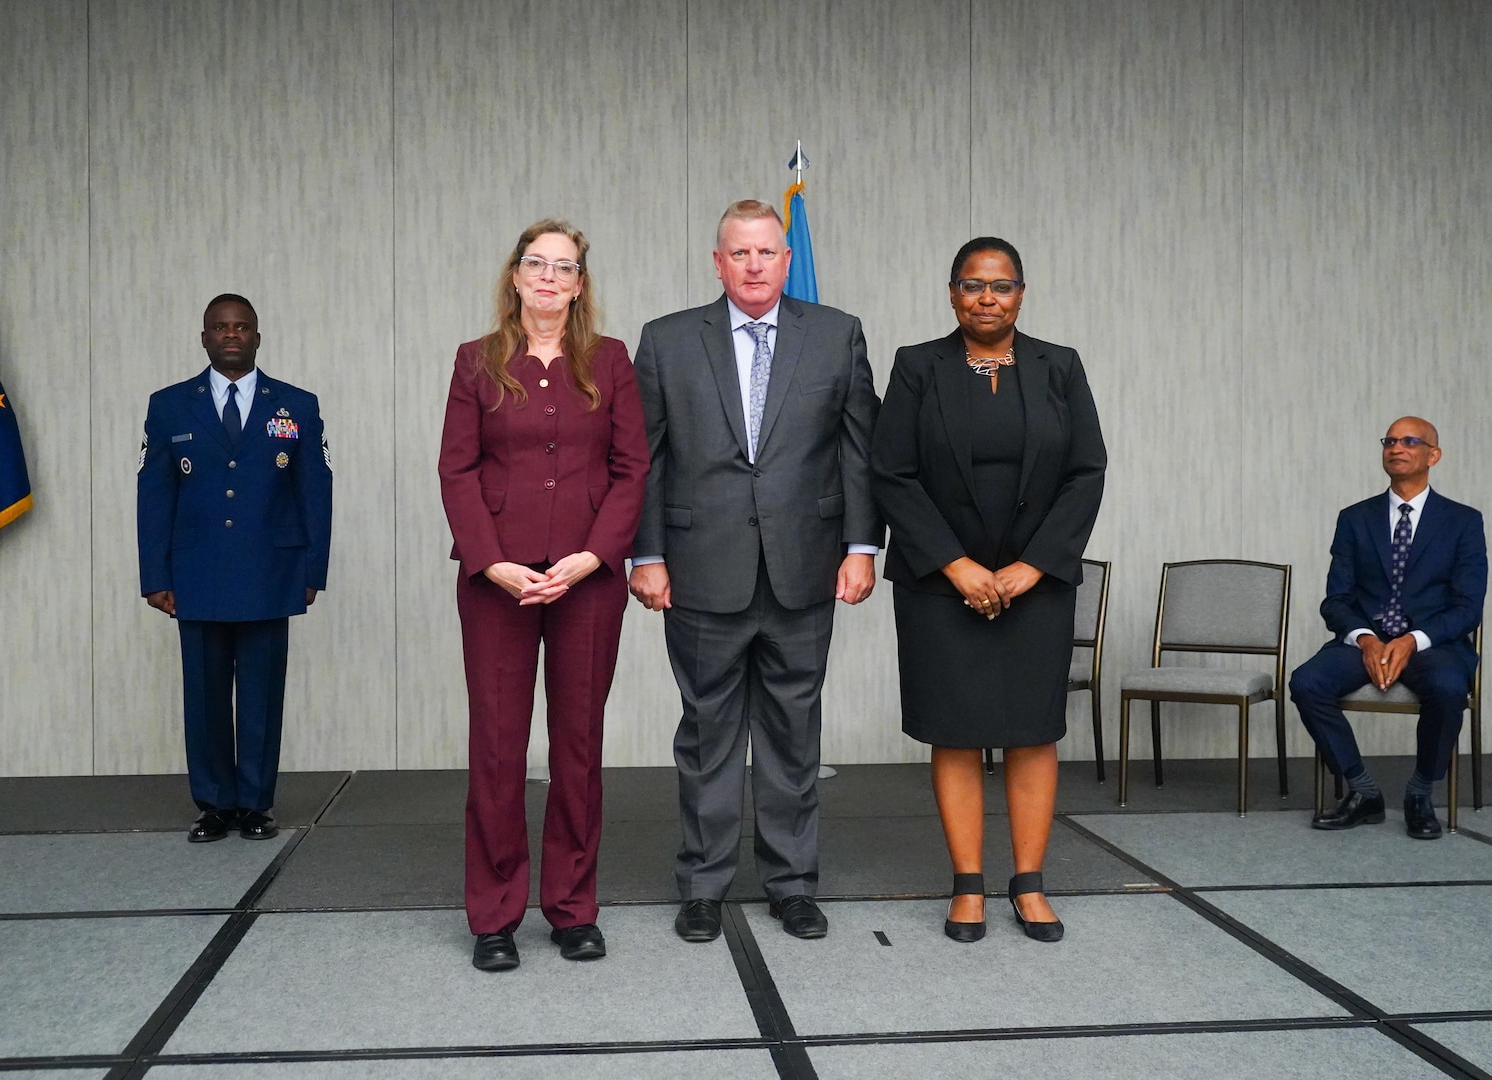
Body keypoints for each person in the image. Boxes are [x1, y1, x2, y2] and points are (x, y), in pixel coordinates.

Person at [629, 200, 881, 943]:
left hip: (806, 571)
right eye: (738, 254)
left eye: (767, 253)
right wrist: (647, 556)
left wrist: (862, 546)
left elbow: (858, 449)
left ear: (787, 258)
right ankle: (703, 886)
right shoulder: (669, 340)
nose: (754, 266)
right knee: (707, 736)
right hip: (700, 572)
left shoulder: (837, 335)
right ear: (717, 262)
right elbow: (645, 459)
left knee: (794, 735)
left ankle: (792, 884)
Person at [870, 237, 1105, 943]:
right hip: (942, 585)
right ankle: (967, 886)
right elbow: (892, 473)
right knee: (958, 731)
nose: (986, 298)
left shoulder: (1059, 366)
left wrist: (1033, 566)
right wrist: (956, 565)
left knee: (1033, 730)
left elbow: (1086, 472)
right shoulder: (918, 367)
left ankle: (1029, 884)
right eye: (972, 285)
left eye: (1001, 286)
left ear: (1022, 294)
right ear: (951, 293)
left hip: (1037, 583)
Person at [439, 220, 647, 972]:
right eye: (537, 265)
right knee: (497, 750)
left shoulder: (611, 362)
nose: (550, 278)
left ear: (580, 284)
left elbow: (633, 469)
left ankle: (571, 909)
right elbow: (456, 470)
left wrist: (595, 557)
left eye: (565, 267)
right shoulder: (477, 362)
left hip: (587, 583)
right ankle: (494, 917)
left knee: (578, 749)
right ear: (516, 278)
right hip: (498, 585)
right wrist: (491, 562)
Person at [137, 293, 332, 844]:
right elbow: (154, 492)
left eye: (241, 327)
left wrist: (312, 569)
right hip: (195, 573)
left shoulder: (295, 404)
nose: (231, 335)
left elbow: (314, 490)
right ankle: (214, 805)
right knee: (203, 693)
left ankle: (254, 805)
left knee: (262, 694)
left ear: (257, 337)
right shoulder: (170, 405)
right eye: (220, 327)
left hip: (271, 571)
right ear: (203, 337)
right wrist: (156, 575)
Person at [1291, 416, 1486, 840]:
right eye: (1390, 441)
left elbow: (1468, 606)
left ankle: (1419, 793)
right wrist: (1364, 638)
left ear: (1433, 455)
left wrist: (1412, 640)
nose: (1396, 447)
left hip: (1433, 643)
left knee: (1449, 686)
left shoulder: (1463, 522)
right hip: (1366, 639)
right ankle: (1363, 792)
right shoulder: (1355, 518)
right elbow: (1335, 600)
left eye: (1409, 441)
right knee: (1306, 682)